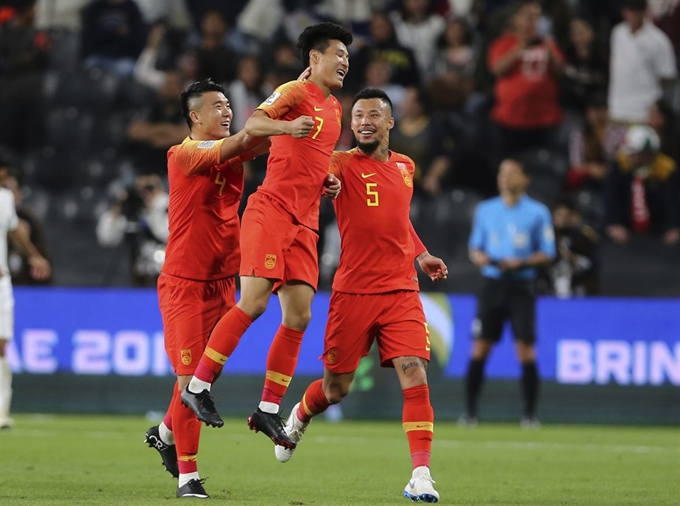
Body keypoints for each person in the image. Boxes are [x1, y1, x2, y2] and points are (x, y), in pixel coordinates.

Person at [272, 88, 448, 504]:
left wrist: (420, 255)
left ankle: (421, 474)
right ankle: (299, 414)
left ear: (390, 122)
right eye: (358, 115)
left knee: (414, 370)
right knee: (336, 390)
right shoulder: (339, 163)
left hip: (401, 289)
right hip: (352, 292)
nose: (364, 120)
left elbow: (398, 219)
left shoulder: (406, 166)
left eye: (374, 114)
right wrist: (324, 182)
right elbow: (311, 171)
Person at [180, 22, 351, 449]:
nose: (345, 62)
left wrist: (328, 178)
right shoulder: (294, 91)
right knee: (254, 302)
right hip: (271, 211)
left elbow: (317, 158)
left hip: (306, 222)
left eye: (348, 56)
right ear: (315, 58)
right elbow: (255, 122)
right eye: (338, 55)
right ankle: (197, 386)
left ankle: (268, 410)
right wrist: (286, 128)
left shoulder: (335, 108)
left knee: (299, 316)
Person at [143, 78, 270, 499]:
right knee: (189, 384)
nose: (227, 110)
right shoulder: (182, 154)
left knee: (200, 378)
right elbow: (248, 140)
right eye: (217, 105)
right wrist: (279, 117)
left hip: (221, 282)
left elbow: (262, 144)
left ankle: (164, 432)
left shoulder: (231, 149)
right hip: (184, 284)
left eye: (229, 104)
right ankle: (188, 478)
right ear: (194, 117)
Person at [460, 158, 556, 428]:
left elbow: (548, 252)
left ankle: (529, 414)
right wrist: (479, 257)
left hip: (521, 287)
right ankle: (469, 413)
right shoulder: (486, 210)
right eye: (502, 172)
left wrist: (522, 262)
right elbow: (474, 247)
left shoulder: (538, 213)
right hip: (492, 284)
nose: (505, 178)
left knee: (525, 349)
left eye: (512, 173)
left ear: (525, 178)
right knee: (480, 347)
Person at [0, 174, 51, 429]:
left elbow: (13, 230)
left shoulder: (5, 199)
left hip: (1, 281)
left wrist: (33, 255)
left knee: (1, 343)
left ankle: (1, 411)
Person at [487, 0, 565, 156]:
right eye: (527, 16)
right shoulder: (504, 43)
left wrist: (551, 52)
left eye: (536, 16)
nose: (532, 21)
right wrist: (520, 47)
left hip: (545, 117)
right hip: (512, 118)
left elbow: (561, 72)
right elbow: (497, 70)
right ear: (516, 19)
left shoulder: (548, 43)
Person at [606, 0, 677, 157]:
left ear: (644, 12)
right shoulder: (617, 33)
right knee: (615, 163)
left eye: (636, 11)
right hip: (617, 111)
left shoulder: (658, 40)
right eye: (629, 10)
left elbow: (668, 78)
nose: (632, 15)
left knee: (641, 164)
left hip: (643, 115)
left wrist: (658, 107)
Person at [605, 125, 680, 245]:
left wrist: (674, 226)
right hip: (627, 229)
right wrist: (613, 222)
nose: (629, 156)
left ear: (648, 154)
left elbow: (673, 201)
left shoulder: (667, 170)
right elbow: (611, 196)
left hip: (657, 232)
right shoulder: (620, 165)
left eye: (634, 153)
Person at [96, 174, 169, 287]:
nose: (144, 193)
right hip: (139, 278)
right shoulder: (133, 213)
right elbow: (106, 238)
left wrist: (153, 211)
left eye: (149, 188)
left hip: (166, 275)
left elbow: (167, 235)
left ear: (161, 188)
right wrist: (117, 208)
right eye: (139, 189)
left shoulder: (168, 209)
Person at [3, 169, 53, 285]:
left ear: (19, 194)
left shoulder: (29, 219)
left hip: (25, 286)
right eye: (3, 188)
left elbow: (14, 228)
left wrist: (34, 256)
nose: (7, 194)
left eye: (11, 189)